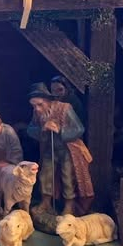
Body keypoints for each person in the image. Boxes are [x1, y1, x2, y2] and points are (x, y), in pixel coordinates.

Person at [27, 82, 94, 215]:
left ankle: (69, 205)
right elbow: (30, 129)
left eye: (40, 104)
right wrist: (42, 128)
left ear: (48, 100)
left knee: (67, 177)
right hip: (49, 149)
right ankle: (46, 202)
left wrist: (60, 130)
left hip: (67, 151)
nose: (37, 109)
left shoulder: (65, 108)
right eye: (34, 106)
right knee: (45, 175)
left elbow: (79, 129)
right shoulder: (37, 112)